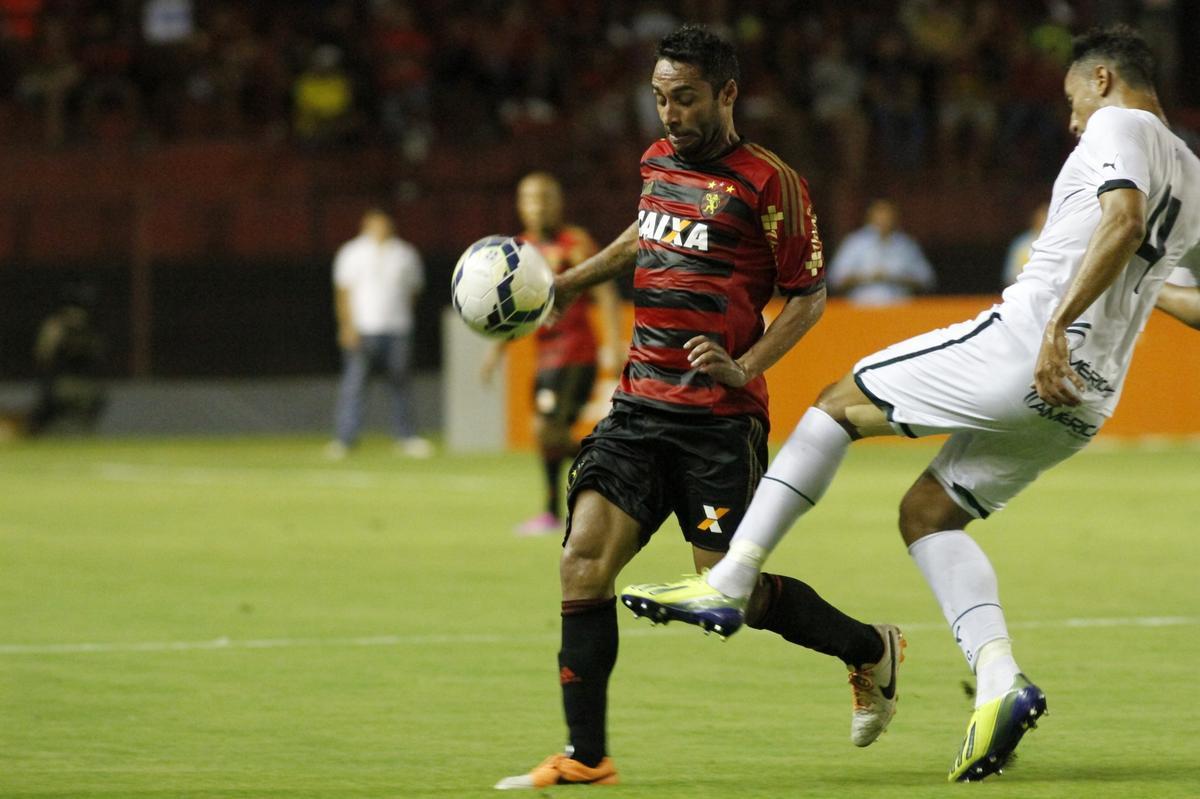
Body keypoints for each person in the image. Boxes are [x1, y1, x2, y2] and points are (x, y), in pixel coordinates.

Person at [624, 25, 1200, 783]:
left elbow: (1122, 221)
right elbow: (1167, 286)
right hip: (1086, 398)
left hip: (1028, 347)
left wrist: (1058, 324)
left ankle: (731, 579)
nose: (1070, 122)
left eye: (1069, 102)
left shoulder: (1119, 123)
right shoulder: (1190, 171)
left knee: (836, 403)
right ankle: (999, 682)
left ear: (1099, 80)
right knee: (928, 514)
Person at [496, 25, 905, 791]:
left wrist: (743, 364)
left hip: (720, 420)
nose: (668, 113)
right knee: (581, 558)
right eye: (658, 98)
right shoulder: (656, 163)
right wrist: (570, 283)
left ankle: (869, 647)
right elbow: (642, 236)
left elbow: (809, 298)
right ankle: (587, 756)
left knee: (732, 591)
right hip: (638, 407)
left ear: (726, 94)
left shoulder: (769, 183)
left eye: (684, 98)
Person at [481, 172, 624, 536]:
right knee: (546, 435)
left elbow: (605, 292)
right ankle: (578, 489)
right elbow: (512, 307)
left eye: (545, 197)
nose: (538, 206)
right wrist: (495, 352)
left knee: (547, 430)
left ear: (558, 203)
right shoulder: (518, 249)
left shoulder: (573, 242)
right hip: (545, 358)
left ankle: (598, 477)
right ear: (520, 206)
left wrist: (614, 344)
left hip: (577, 354)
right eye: (530, 198)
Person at [328, 208, 431, 458]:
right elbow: (342, 293)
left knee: (400, 384)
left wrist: (404, 316)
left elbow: (414, 291)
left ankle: (406, 436)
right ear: (365, 225)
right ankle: (344, 439)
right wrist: (347, 326)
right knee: (354, 385)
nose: (381, 228)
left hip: (398, 329)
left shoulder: (404, 253)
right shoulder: (352, 252)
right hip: (364, 329)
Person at [27, 283, 106, 435]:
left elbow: (43, 354)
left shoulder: (56, 324)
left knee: (43, 418)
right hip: (90, 386)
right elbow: (100, 355)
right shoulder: (91, 324)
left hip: (62, 384)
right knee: (83, 420)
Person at [827, 199, 936, 305]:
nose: (884, 218)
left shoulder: (906, 244)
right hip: (861, 310)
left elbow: (926, 279)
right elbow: (836, 279)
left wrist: (894, 277)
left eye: (888, 214)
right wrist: (868, 277)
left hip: (900, 310)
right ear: (870, 216)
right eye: (880, 213)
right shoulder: (855, 243)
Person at [1003, 202, 1050, 286]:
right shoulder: (1023, 243)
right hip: (1023, 288)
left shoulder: (1056, 242)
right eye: (1042, 218)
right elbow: (1011, 274)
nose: (1043, 222)